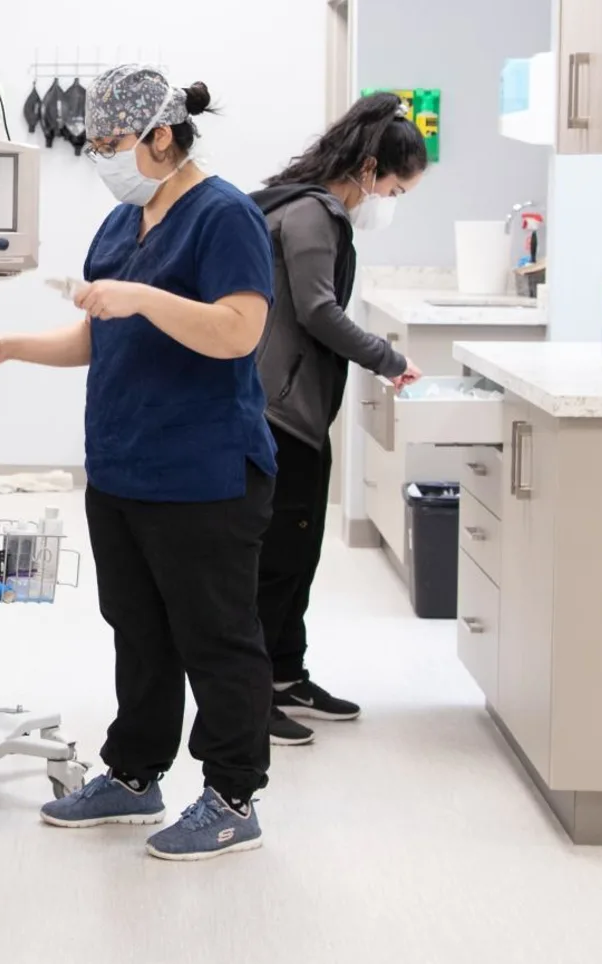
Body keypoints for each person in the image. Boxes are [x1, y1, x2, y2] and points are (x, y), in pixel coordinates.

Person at [0, 66, 277, 861]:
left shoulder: (224, 216)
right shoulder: (121, 223)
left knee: (215, 636)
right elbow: (101, 336)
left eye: (110, 144)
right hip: (125, 465)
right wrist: (10, 347)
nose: (102, 159)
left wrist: (143, 300)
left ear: (161, 136)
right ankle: (135, 773)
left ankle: (233, 796)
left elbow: (238, 330)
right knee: (138, 629)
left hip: (204, 471)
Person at [249, 93, 431, 747]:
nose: (389, 201)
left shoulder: (300, 205)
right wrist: (388, 358)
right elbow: (318, 310)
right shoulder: (310, 215)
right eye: (394, 188)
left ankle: (286, 676)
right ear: (369, 166)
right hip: (277, 412)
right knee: (274, 559)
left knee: (295, 554)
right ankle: (253, 696)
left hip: (288, 405)